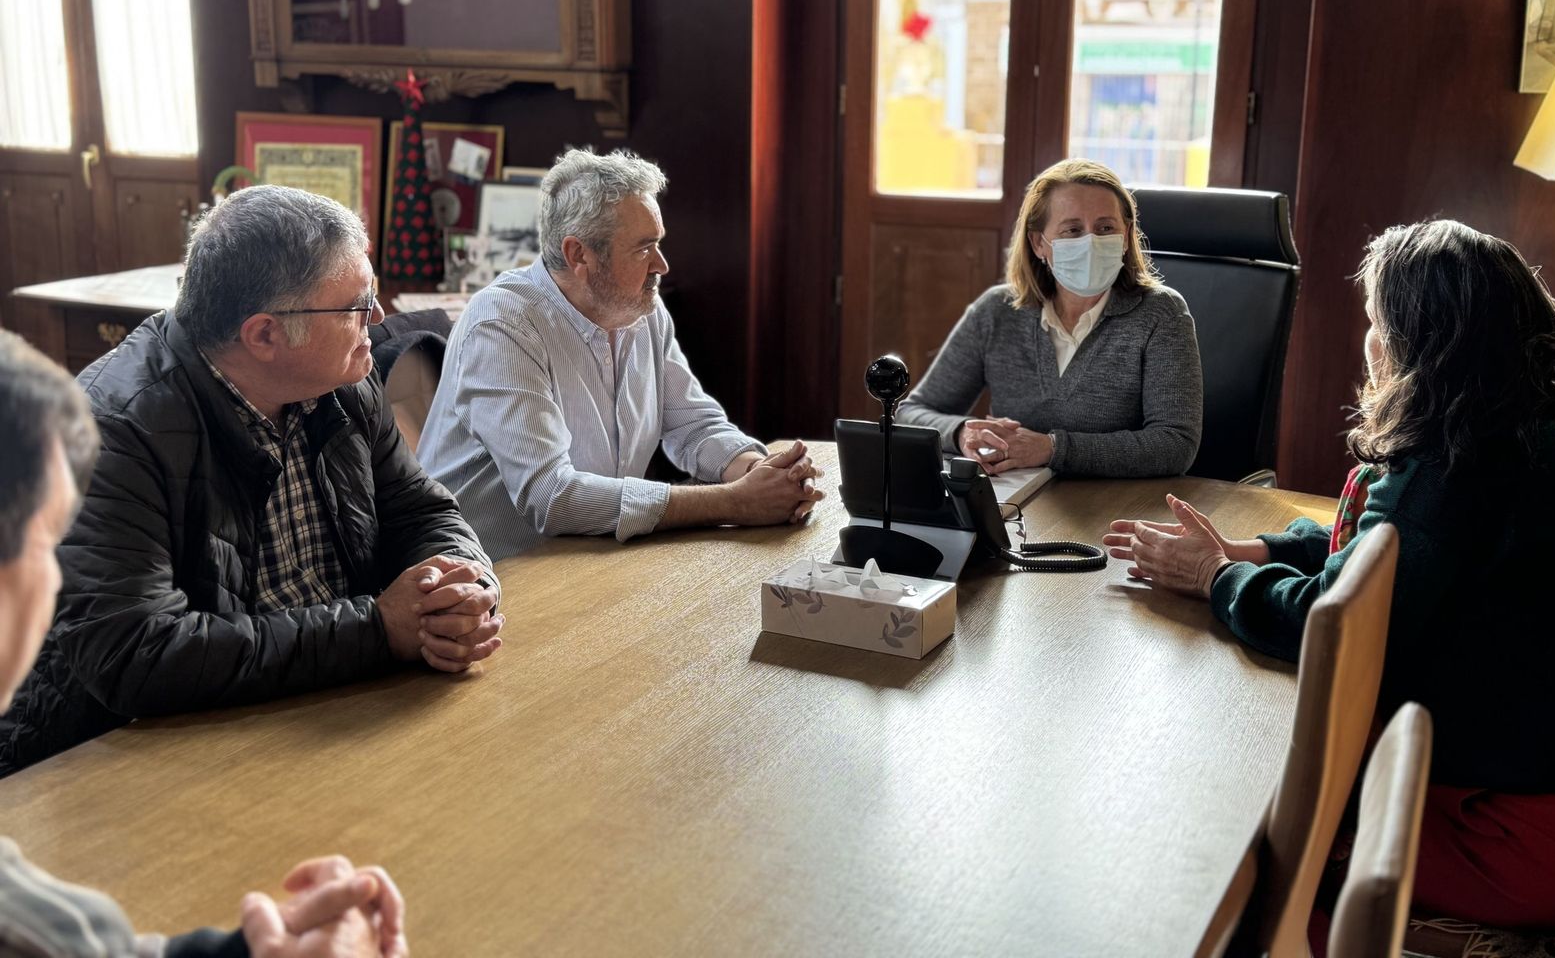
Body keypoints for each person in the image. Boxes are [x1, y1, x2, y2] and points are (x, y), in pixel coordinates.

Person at [1105, 219, 1555, 931]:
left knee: (1243, 857)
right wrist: (1262, 552)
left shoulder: (1451, 464)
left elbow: (1335, 625)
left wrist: (1217, 575)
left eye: (1375, 323)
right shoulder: (1520, 427)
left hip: (1519, 837)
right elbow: (1383, 547)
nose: (1366, 341)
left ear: (1420, 339)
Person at [0, 186, 502, 777]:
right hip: (135, 756)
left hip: (325, 710)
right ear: (264, 335)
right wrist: (377, 630)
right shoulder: (112, 429)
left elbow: (420, 510)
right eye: (357, 305)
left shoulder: (341, 376)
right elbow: (134, 652)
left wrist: (461, 585)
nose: (379, 319)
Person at [0, 329, 408, 956]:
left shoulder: (343, 388)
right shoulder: (128, 416)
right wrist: (379, 628)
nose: (58, 578)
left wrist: (248, 950)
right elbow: (135, 648)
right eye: (48, 542)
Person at [419, 148, 823, 557]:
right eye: (644, 248)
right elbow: (553, 498)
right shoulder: (503, 325)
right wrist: (735, 501)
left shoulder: (641, 310)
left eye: (658, 244)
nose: (662, 265)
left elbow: (694, 426)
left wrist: (760, 474)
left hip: (587, 560)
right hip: (487, 579)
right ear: (579, 254)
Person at [898, 159, 1202, 478]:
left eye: (1105, 228)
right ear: (1039, 243)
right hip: (1017, 502)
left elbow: (1176, 445)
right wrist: (962, 433)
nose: (1090, 242)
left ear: (1126, 236)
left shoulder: (1160, 313)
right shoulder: (997, 311)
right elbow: (911, 413)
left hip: (1115, 507)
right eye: (1072, 230)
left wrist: (1052, 449)